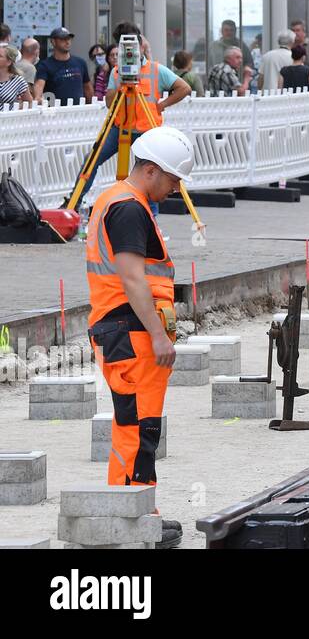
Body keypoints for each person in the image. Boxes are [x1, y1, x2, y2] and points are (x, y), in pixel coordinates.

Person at [84, 125, 195, 549]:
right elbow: (132, 279)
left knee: (136, 425)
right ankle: (131, 517)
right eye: (173, 178)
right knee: (137, 427)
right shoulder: (129, 208)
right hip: (129, 331)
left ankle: (137, 509)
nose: (175, 187)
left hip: (122, 329)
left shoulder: (117, 200)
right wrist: (159, 336)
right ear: (150, 170)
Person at [94, 24, 192, 205]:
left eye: (134, 47)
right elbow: (109, 103)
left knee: (152, 172)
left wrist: (162, 105)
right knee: (92, 160)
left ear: (142, 47)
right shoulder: (116, 72)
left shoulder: (156, 69)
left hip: (147, 130)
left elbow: (184, 88)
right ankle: (74, 203)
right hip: (121, 127)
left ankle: (151, 216)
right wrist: (122, 83)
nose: (130, 52)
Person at [34, 27, 93, 104]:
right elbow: (39, 86)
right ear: (53, 42)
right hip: (56, 113)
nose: (67, 42)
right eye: (63, 39)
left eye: (69, 39)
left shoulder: (80, 63)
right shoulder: (45, 65)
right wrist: (38, 97)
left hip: (78, 112)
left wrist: (92, 107)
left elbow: (87, 87)